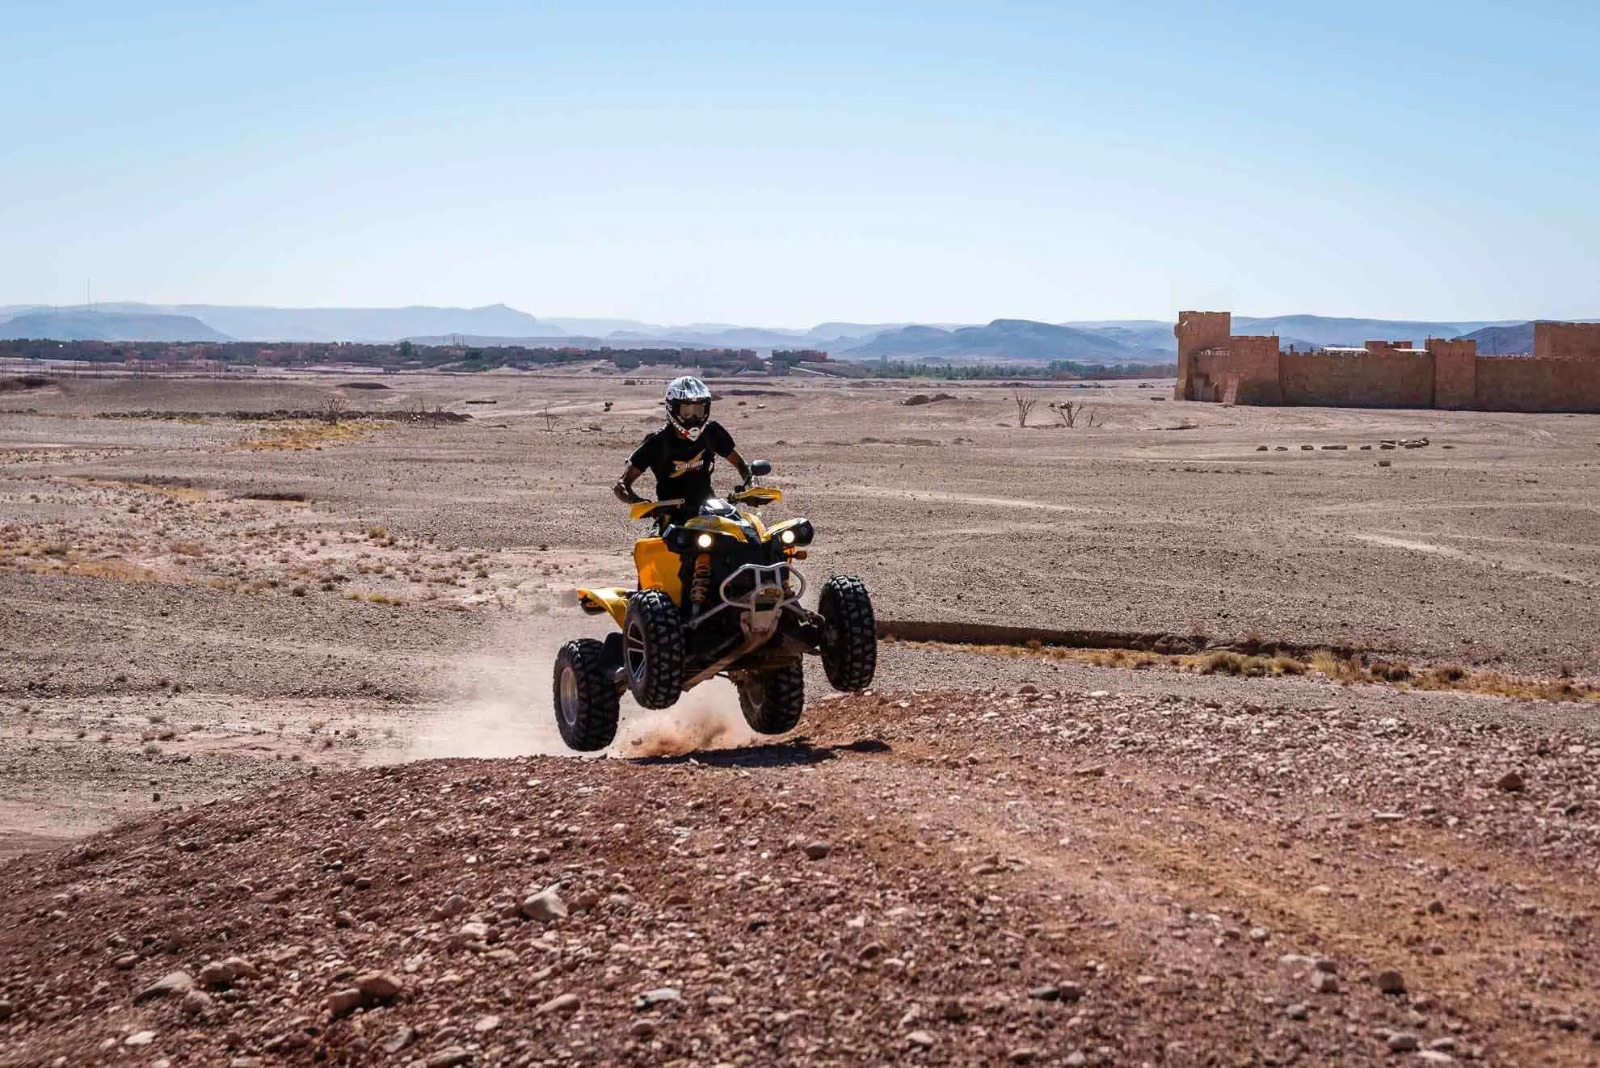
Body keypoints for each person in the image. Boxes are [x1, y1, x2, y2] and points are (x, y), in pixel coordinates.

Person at [614, 376, 752, 528]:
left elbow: (740, 463)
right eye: (687, 412)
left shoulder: (712, 432)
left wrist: (751, 488)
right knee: (648, 550)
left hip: (709, 512)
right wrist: (637, 501)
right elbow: (621, 485)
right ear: (672, 409)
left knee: (747, 537)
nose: (694, 418)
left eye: (699, 411)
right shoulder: (656, 442)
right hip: (672, 519)